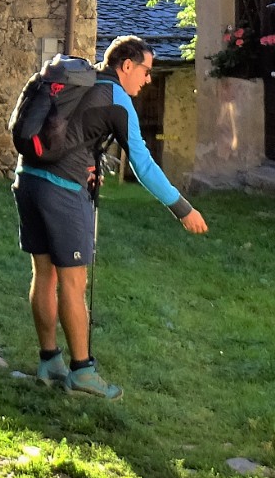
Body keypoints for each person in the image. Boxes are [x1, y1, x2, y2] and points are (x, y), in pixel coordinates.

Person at [12, 35, 207, 399]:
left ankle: (49, 362)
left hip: (28, 180)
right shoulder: (117, 97)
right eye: (147, 71)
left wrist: (90, 163)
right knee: (73, 283)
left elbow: (74, 135)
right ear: (127, 65)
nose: (148, 80)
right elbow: (143, 165)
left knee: (43, 273)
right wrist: (183, 208)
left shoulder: (78, 83)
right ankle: (83, 372)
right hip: (62, 193)